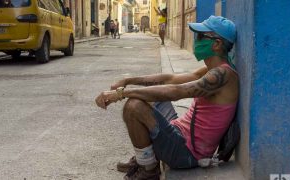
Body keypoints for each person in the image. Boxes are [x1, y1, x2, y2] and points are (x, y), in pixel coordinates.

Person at [95, 16, 238, 180]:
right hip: (181, 133)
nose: (196, 40)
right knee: (152, 96)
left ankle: (148, 169)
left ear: (217, 44)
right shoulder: (212, 69)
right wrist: (128, 81)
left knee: (134, 106)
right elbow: (169, 80)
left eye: (200, 36)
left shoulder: (222, 75)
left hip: (188, 153)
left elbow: (176, 91)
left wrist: (122, 93)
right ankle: (146, 156)